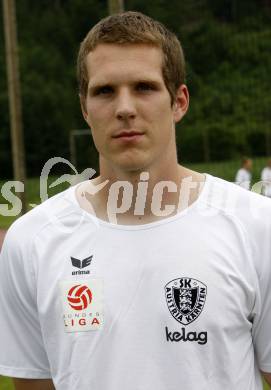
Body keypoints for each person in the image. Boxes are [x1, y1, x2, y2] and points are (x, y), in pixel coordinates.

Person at [0, 11, 271, 390]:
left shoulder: (258, 226)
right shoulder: (30, 242)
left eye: (144, 87)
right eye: (104, 91)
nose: (124, 107)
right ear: (84, 107)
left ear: (179, 102)